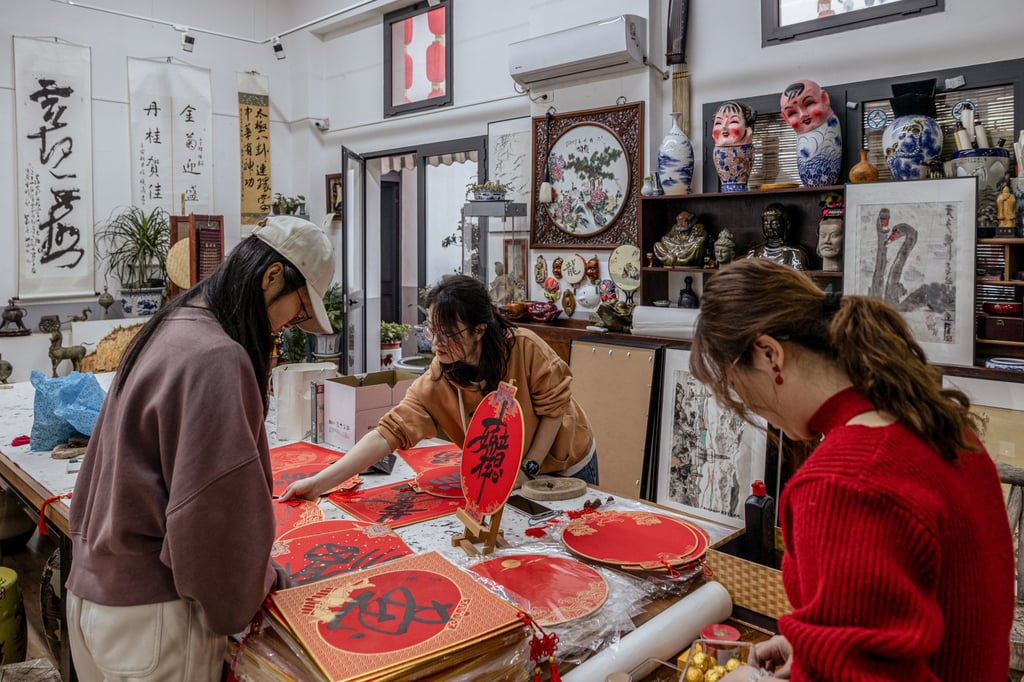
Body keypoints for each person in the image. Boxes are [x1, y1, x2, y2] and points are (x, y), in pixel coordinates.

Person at [689, 259, 1013, 682]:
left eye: (736, 384)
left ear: (770, 355)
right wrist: (817, 646)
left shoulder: (843, 482)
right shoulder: (936, 424)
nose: (746, 402)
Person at [66, 216, 336, 682]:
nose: (290, 325)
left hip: (92, 601)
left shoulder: (174, 322)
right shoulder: (217, 355)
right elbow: (211, 524)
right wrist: (262, 585)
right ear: (272, 276)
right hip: (153, 623)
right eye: (297, 309)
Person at [280, 275, 598, 501]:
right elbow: (387, 432)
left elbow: (554, 411)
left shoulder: (524, 349)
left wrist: (528, 469)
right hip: (506, 477)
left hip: (562, 463)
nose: (436, 342)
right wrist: (321, 483)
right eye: (432, 330)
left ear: (479, 330)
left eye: (447, 333)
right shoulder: (440, 376)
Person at [745, 203, 809, 270]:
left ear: (786, 225)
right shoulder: (753, 253)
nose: (769, 227)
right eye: (766, 223)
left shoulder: (794, 253)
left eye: (774, 223)